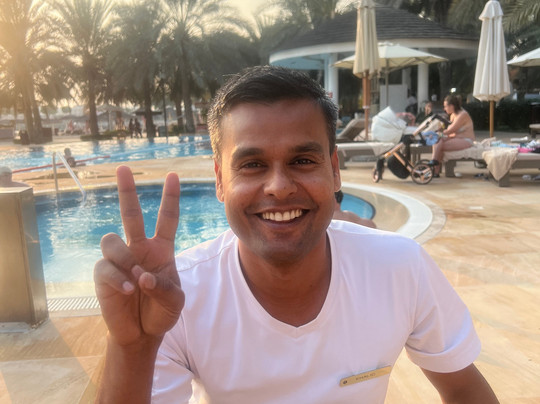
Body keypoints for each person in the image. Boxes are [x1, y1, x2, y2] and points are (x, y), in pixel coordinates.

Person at [94, 66, 499, 403]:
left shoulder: (398, 268)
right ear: (219, 180)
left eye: (302, 160)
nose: (279, 187)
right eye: (252, 165)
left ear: (334, 170)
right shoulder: (176, 295)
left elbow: (465, 391)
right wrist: (132, 349)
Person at [429, 95, 476, 177]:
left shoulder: (463, 115)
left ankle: (434, 167)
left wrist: (439, 134)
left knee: (439, 144)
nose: (444, 109)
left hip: (466, 140)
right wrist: (439, 132)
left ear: (451, 106)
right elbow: (447, 131)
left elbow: (451, 130)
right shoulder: (453, 115)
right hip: (456, 138)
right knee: (437, 141)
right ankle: (434, 167)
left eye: (445, 106)